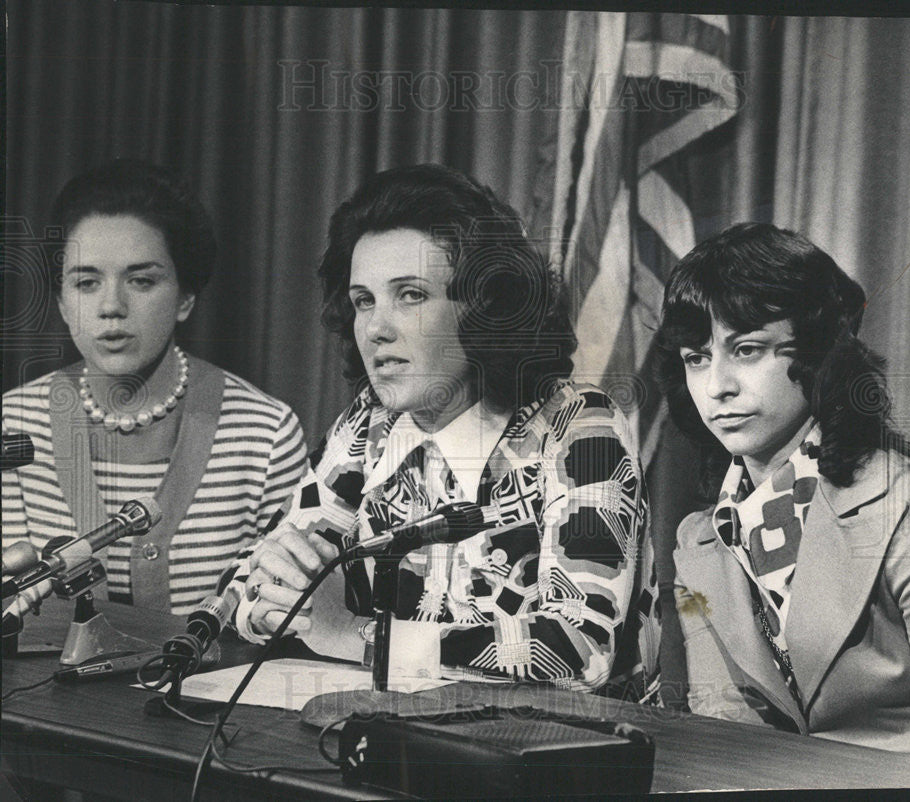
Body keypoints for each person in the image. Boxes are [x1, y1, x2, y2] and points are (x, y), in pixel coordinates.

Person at [230, 164, 657, 694]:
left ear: (487, 306)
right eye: (364, 300)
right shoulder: (368, 427)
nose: (376, 329)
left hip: (552, 758)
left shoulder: (581, 430)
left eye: (409, 295)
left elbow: (576, 651)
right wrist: (270, 596)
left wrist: (358, 637)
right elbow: (243, 593)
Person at [656, 222, 910, 768]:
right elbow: (723, 736)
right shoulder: (699, 539)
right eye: (696, 357)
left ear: (817, 351)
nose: (717, 385)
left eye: (745, 350)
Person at [2, 160, 307, 615]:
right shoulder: (12, 424)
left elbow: (279, 615)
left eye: (141, 280)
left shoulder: (266, 433)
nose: (111, 306)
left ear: (185, 296)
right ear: (63, 304)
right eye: (86, 282)